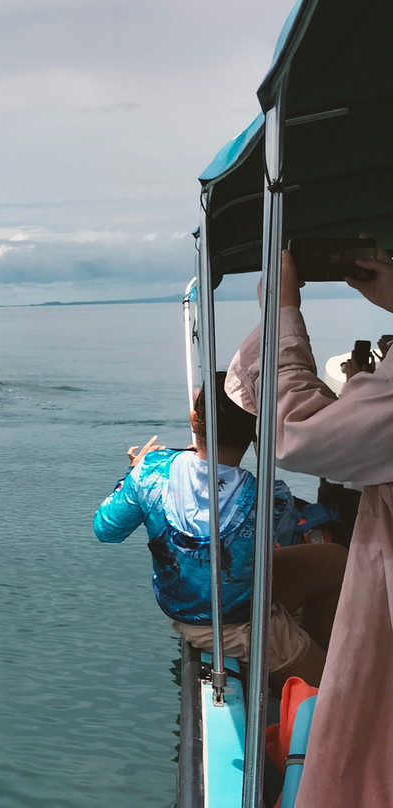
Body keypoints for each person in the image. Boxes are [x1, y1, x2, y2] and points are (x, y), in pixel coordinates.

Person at [225, 246, 393, 808]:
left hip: (222, 616)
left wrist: (282, 306)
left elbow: (301, 432)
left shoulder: (162, 477)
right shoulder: (256, 493)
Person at [94, 372, 346, 686]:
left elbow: (106, 529)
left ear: (194, 420)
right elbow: (281, 535)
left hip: (189, 605)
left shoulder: (150, 473)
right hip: (236, 624)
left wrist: (132, 475)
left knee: (335, 560)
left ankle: (302, 648)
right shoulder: (269, 499)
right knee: (339, 689)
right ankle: (301, 658)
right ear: (255, 429)